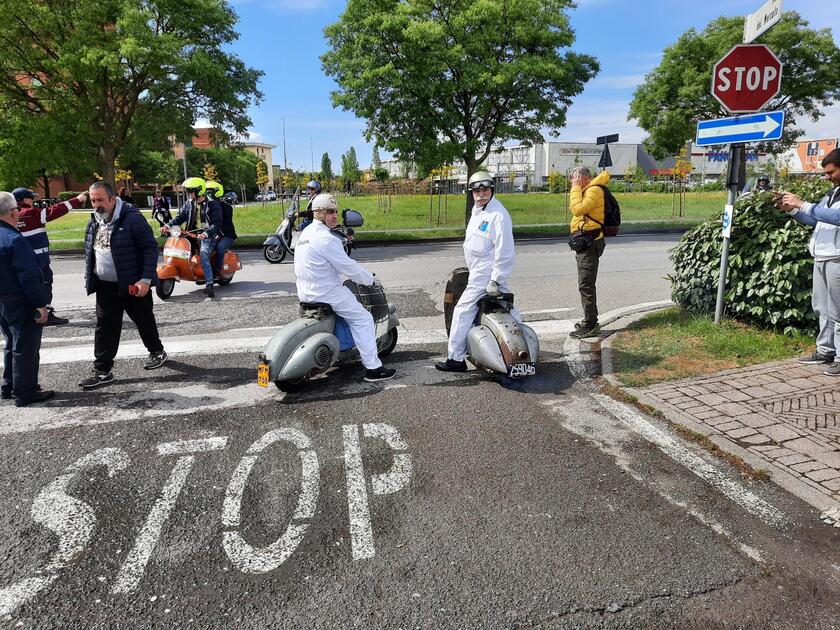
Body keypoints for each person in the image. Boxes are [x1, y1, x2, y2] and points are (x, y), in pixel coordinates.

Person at [294, 193, 396, 383]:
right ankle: (374, 369)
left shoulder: (306, 234)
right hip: (327, 292)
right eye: (330, 212)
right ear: (320, 213)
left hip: (306, 291)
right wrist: (370, 279)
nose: (335, 216)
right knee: (363, 318)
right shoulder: (326, 238)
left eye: (335, 212)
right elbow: (348, 267)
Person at [77, 182, 167, 390]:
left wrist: (145, 279)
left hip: (132, 284)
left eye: (100, 200)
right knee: (105, 327)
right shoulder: (94, 221)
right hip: (105, 286)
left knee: (144, 320)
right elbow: (92, 252)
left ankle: (157, 351)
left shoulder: (132, 218)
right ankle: (102, 371)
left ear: (112, 199)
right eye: (93, 200)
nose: (96, 205)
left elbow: (149, 249)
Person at [436, 171, 519, 372]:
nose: (481, 194)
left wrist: (496, 279)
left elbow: (505, 251)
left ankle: (455, 359)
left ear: (492, 190)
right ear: (471, 193)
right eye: (476, 191)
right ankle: (516, 348)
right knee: (505, 308)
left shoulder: (498, 215)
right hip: (479, 271)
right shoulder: (479, 210)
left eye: (485, 190)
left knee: (463, 310)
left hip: (486, 273)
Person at [776, 148, 840, 377]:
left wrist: (802, 203)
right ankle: (826, 351)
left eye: (831, 172)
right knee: (822, 307)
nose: (827, 177)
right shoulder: (832, 194)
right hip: (822, 256)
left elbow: (836, 217)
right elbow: (815, 218)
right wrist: (792, 210)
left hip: (837, 259)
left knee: (839, 310)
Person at [0, 191, 53, 406]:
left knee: (11, 343)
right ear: (14, 212)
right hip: (19, 300)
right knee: (25, 347)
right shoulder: (15, 240)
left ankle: (9, 385)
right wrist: (41, 304)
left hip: (2, 301)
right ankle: (25, 391)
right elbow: (29, 277)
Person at [12, 187, 88, 326]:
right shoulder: (31, 213)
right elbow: (56, 210)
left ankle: (30, 313)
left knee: (26, 285)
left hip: (20, 260)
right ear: (23, 200)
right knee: (44, 284)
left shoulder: (11, 215)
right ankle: (46, 314)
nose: (33, 200)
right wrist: (78, 200)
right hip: (39, 260)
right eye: (30, 198)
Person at [163, 177, 223, 297]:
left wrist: (206, 233)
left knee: (204, 252)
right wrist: (169, 225)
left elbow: (217, 223)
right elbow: (181, 216)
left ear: (199, 190)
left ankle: (209, 283)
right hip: (191, 233)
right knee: (177, 248)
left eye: (190, 191)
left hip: (208, 235)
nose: (188, 193)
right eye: (188, 191)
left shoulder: (212, 204)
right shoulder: (189, 203)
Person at [568, 166, 609, 339]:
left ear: (583, 178)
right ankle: (589, 318)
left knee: (586, 284)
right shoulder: (590, 189)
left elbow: (577, 209)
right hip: (586, 242)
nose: (572, 182)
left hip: (590, 244)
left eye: (574, 178)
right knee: (585, 283)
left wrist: (576, 188)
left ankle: (591, 323)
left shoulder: (593, 190)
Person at [205, 181, 237, 280]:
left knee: (220, 247)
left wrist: (219, 234)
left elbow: (226, 224)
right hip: (213, 233)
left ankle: (216, 271)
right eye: (206, 192)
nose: (207, 194)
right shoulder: (207, 206)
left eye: (209, 192)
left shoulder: (227, 208)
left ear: (217, 192)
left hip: (227, 235)